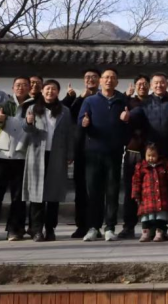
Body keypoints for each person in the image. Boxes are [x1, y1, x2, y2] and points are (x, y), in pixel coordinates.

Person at [79, 68, 132, 242]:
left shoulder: (122, 101)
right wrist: (84, 123)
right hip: (93, 153)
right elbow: (80, 122)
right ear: (101, 81)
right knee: (93, 192)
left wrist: (126, 121)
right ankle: (93, 227)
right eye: (106, 77)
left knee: (112, 191)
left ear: (117, 82)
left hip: (114, 153)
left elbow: (129, 129)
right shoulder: (90, 101)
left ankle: (110, 227)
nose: (109, 80)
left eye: (113, 78)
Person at [22, 80, 75, 242]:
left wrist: (70, 154)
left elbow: (69, 133)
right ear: (42, 91)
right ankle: (37, 230)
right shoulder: (33, 108)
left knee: (53, 194)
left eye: (53, 89)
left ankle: (50, 228)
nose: (50, 91)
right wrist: (28, 122)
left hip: (57, 154)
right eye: (47, 89)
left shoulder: (65, 111)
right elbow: (27, 131)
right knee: (36, 195)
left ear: (58, 92)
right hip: (37, 154)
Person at [0, 77, 33, 242]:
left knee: (18, 197)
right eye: (18, 85)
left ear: (29, 88)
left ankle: (14, 230)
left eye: (24, 85)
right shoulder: (5, 104)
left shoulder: (33, 106)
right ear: (13, 88)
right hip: (1, 155)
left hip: (21, 155)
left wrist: (30, 123)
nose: (21, 88)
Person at [63, 68, 101, 238]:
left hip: (98, 149)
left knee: (97, 190)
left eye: (94, 77)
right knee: (80, 190)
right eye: (87, 77)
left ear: (99, 80)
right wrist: (77, 97)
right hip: (80, 150)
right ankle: (81, 225)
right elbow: (68, 115)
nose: (90, 79)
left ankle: (96, 225)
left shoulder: (103, 98)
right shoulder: (79, 99)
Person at [119, 74, 152, 239]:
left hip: (151, 152)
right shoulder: (128, 102)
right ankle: (128, 226)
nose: (142, 86)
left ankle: (151, 226)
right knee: (130, 191)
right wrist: (125, 97)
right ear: (134, 85)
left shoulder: (154, 102)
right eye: (139, 83)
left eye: (145, 83)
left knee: (151, 190)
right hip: (132, 151)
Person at [131, 143, 168, 242]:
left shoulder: (163, 165)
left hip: (161, 196)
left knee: (160, 216)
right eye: (149, 156)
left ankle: (159, 232)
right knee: (146, 216)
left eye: (153, 156)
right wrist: (136, 193)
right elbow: (136, 181)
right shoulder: (141, 167)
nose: (151, 158)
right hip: (146, 197)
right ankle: (146, 233)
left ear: (158, 155)